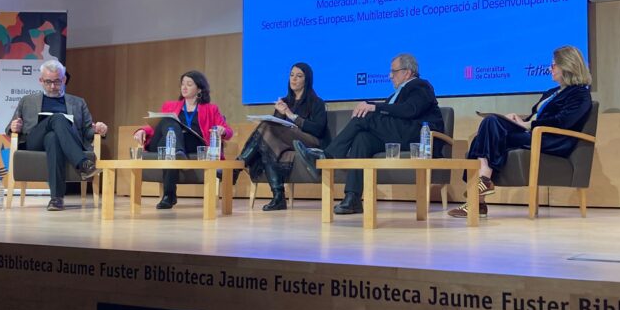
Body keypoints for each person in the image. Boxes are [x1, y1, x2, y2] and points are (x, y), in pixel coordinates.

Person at [448, 45, 593, 218]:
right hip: (534, 133)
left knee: (490, 125)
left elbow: (563, 122)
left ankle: (479, 197)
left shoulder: (580, 94)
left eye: (553, 65)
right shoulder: (552, 92)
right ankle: (481, 193)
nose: (550, 69)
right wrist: (519, 120)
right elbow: (536, 116)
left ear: (567, 66)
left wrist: (528, 125)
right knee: (484, 133)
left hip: (550, 139)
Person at [294, 53, 442, 215]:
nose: (390, 76)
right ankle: (353, 198)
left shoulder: (420, 86)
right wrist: (372, 107)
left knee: (364, 116)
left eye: (393, 71)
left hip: (417, 136)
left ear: (407, 72)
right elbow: (390, 114)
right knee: (362, 138)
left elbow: (409, 110)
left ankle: (327, 156)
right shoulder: (394, 95)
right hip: (399, 135)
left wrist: (373, 107)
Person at [6, 59, 108, 212]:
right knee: (58, 118)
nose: (53, 86)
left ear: (64, 79)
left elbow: (87, 131)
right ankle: (83, 164)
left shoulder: (78, 102)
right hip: (35, 142)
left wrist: (98, 129)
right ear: (41, 80)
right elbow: (10, 126)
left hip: (63, 143)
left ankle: (56, 199)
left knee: (53, 138)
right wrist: (14, 127)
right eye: (48, 82)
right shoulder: (27, 101)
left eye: (57, 82)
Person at [132, 70, 234, 210]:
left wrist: (222, 130)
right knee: (168, 122)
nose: (184, 87)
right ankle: (178, 152)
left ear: (199, 89)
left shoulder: (211, 109)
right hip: (167, 141)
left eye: (189, 84)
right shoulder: (170, 106)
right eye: (183, 84)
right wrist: (142, 130)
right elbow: (157, 126)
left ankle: (169, 196)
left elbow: (229, 132)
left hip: (193, 143)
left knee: (170, 147)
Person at [240, 62, 329, 211]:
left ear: (306, 80)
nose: (294, 79)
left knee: (266, 129)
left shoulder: (316, 102)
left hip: (309, 141)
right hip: (285, 142)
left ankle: (239, 163)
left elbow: (318, 129)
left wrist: (292, 116)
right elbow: (272, 130)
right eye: (291, 75)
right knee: (267, 145)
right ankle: (278, 197)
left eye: (299, 76)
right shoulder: (285, 101)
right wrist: (280, 113)